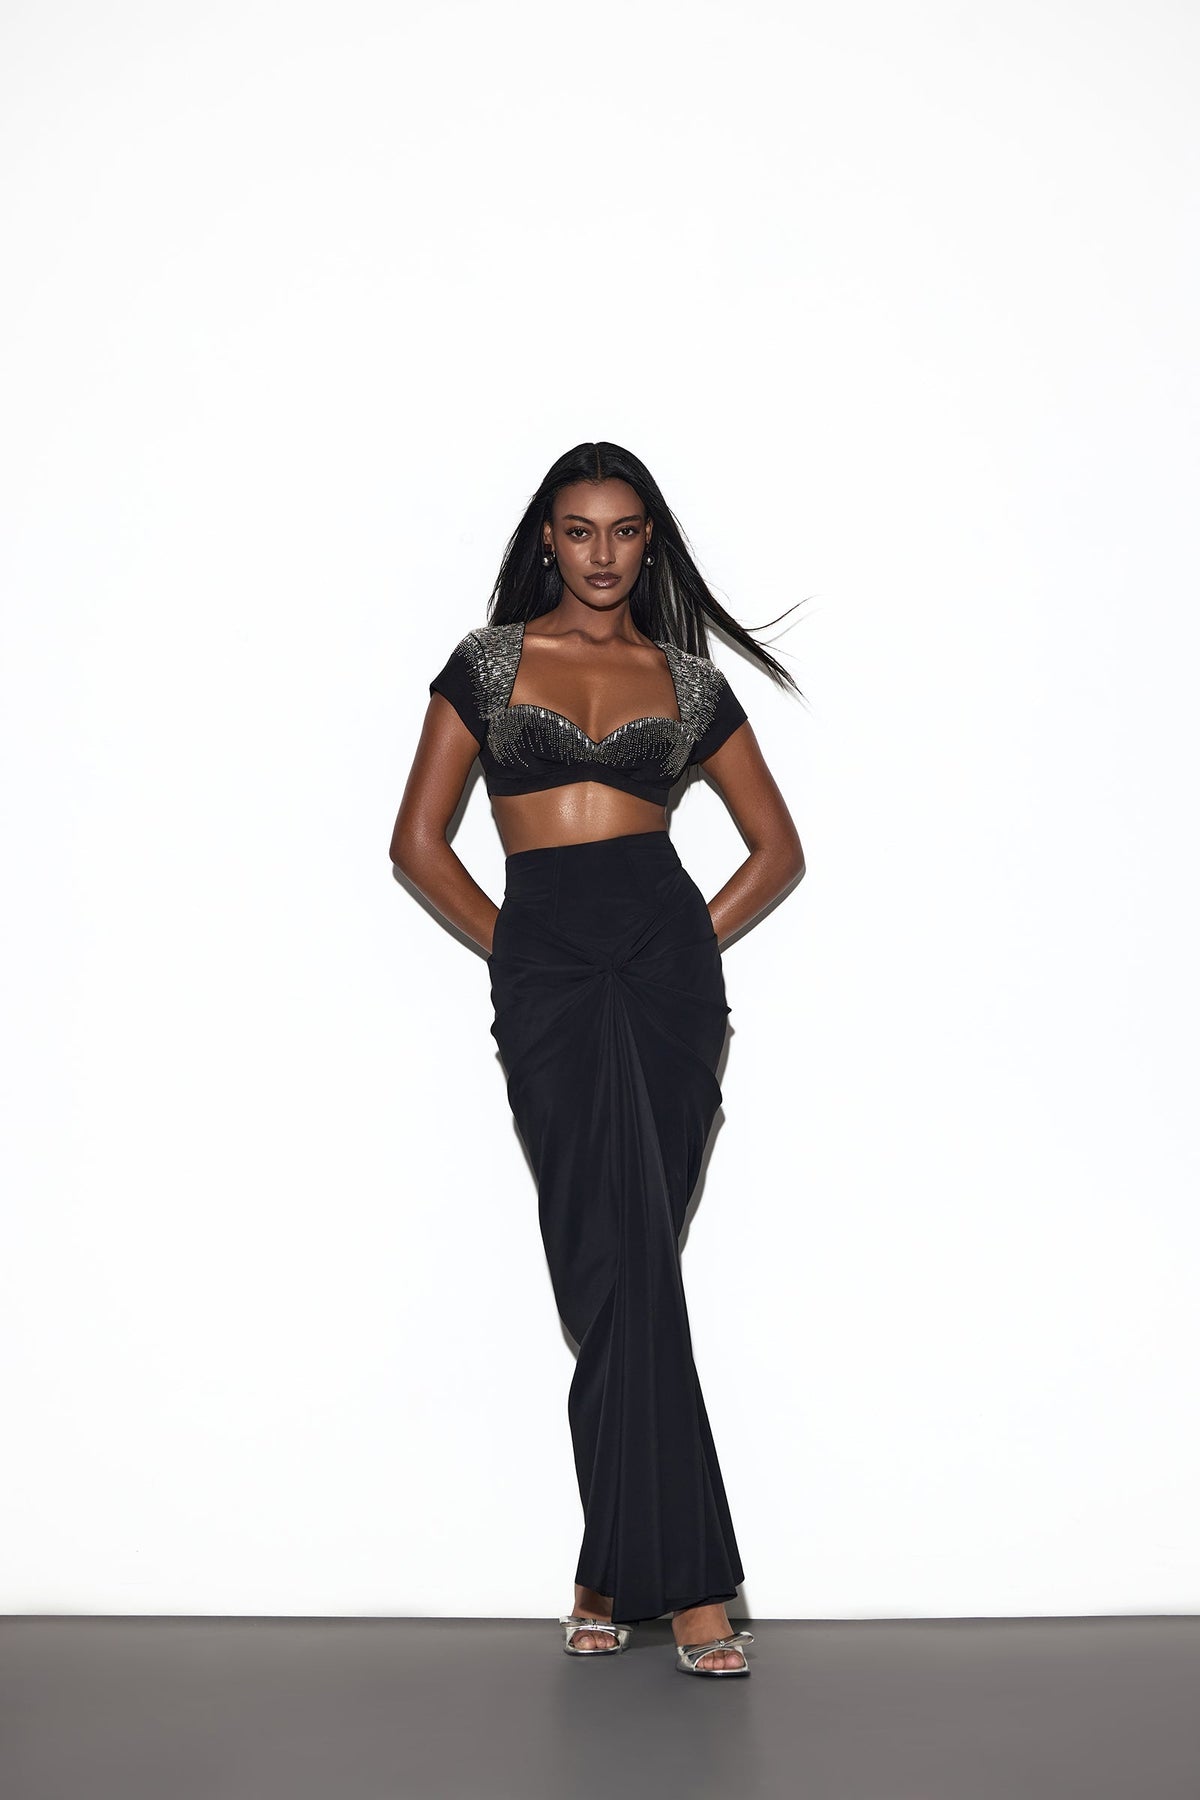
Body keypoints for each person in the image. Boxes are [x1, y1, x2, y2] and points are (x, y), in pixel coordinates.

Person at [389, 441, 806, 1678]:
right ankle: (679, 1582)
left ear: (649, 541)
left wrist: (684, 947)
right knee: (604, 1263)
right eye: (580, 531)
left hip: (666, 981)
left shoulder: (685, 681)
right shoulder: (488, 663)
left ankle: (625, 1576)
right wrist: (520, 952)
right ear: (550, 540)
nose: (603, 553)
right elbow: (417, 842)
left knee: (637, 1268)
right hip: (552, 978)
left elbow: (777, 849)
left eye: (625, 531)